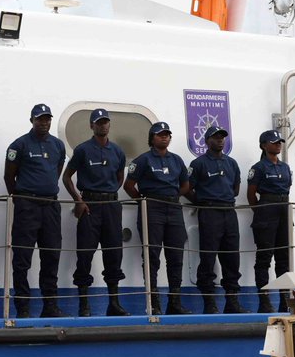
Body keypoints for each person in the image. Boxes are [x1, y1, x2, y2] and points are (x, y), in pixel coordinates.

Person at [62, 108, 128, 316]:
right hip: (89, 207)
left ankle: (114, 304)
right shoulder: (82, 150)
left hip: (111, 207)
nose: (103, 125)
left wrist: (109, 194)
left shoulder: (117, 151)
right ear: (91, 126)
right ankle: (84, 305)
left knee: (114, 254)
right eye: (98, 122)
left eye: (105, 122)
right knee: (85, 255)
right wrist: (78, 200)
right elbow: (66, 177)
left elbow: (119, 177)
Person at [4, 104, 67, 318]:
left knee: (51, 256)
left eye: (47, 118)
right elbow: (8, 177)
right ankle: (22, 307)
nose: (44, 122)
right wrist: (23, 199)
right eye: (40, 119)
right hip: (27, 207)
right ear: (31, 120)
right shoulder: (19, 145)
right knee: (22, 258)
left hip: (50, 206)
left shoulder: (58, 146)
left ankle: (50, 306)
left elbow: (56, 171)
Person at [124, 122, 191, 315]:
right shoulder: (143, 160)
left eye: (167, 134)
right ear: (152, 138)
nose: (164, 137)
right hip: (152, 208)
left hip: (173, 208)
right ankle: (153, 302)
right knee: (152, 256)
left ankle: (175, 303)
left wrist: (172, 196)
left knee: (176, 256)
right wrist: (143, 202)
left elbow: (185, 185)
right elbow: (129, 185)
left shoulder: (177, 160)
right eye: (160, 134)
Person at [188, 126, 244, 313]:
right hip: (210, 213)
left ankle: (232, 302)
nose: (220, 140)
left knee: (232, 258)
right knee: (208, 257)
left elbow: (235, 188)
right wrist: (203, 202)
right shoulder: (198, 164)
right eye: (215, 137)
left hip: (229, 212)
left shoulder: (232, 163)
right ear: (207, 141)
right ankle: (209, 303)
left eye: (222, 137)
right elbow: (188, 188)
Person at [248, 129, 292, 313]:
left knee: (284, 259)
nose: (278, 145)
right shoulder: (259, 168)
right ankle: (264, 300)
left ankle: (285, 299)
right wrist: (261, 211)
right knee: (264, 257)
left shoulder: (285, 167)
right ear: (264, 145)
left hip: (284, 209)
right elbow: (251, 194)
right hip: (267, 209)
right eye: (274, 142)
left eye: (279, 142)